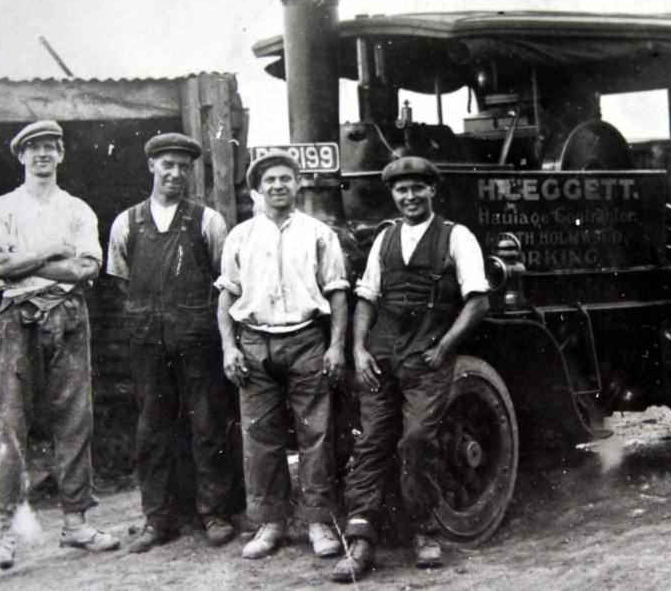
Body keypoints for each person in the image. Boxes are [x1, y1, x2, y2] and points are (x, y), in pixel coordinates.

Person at [332, 156, 490, 583]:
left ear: (431, 191)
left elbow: (477, 301)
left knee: (418, 440)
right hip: (382, 356)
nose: (410, 196)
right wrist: (360, 350)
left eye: (418, 188)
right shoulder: (384, 239)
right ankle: (360, 539)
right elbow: (366, 297)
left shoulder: (457, 237)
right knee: (371, 443)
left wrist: (444, 347)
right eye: (401, 190)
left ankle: (424, 531)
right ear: (393, 195)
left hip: (426, 356)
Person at [0, 120, 119, 570]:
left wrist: (25, 266)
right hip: (18, 317)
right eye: (33, 147)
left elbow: (85, 271)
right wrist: (50, 253)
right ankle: (2, 532)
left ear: (60, 155)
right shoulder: (1, 208)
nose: (42, 154)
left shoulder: (77, 209)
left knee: (75, 419)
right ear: (21, 156)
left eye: (50, 147)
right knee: (11, 424)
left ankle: (76, 522)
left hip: (68, 315)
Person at [106, 133, 241, 553]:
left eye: (184, 166)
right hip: (148, 342)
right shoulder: (127, 223)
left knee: (207, 425)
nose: (175, 173)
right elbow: (122, 281)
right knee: (153, 429)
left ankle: (213, 512)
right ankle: (158, 519)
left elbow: (226, 282)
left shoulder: (207, 222)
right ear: (151, 167)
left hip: (198, 339)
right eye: (167, 164)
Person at [215, 152, 349, 560]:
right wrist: (229, 346)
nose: (278, 186)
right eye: (270, 180)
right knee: (260, 437)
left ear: (297, 185)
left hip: (307, 339)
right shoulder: (240, 236)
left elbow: (338, 292)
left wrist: (337, 345)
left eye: (286, 179)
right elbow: (227, 296)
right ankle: (270, 522)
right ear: (257, 189)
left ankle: (318, 521)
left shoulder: (318, 233)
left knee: (316, 434)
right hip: (254, 343)